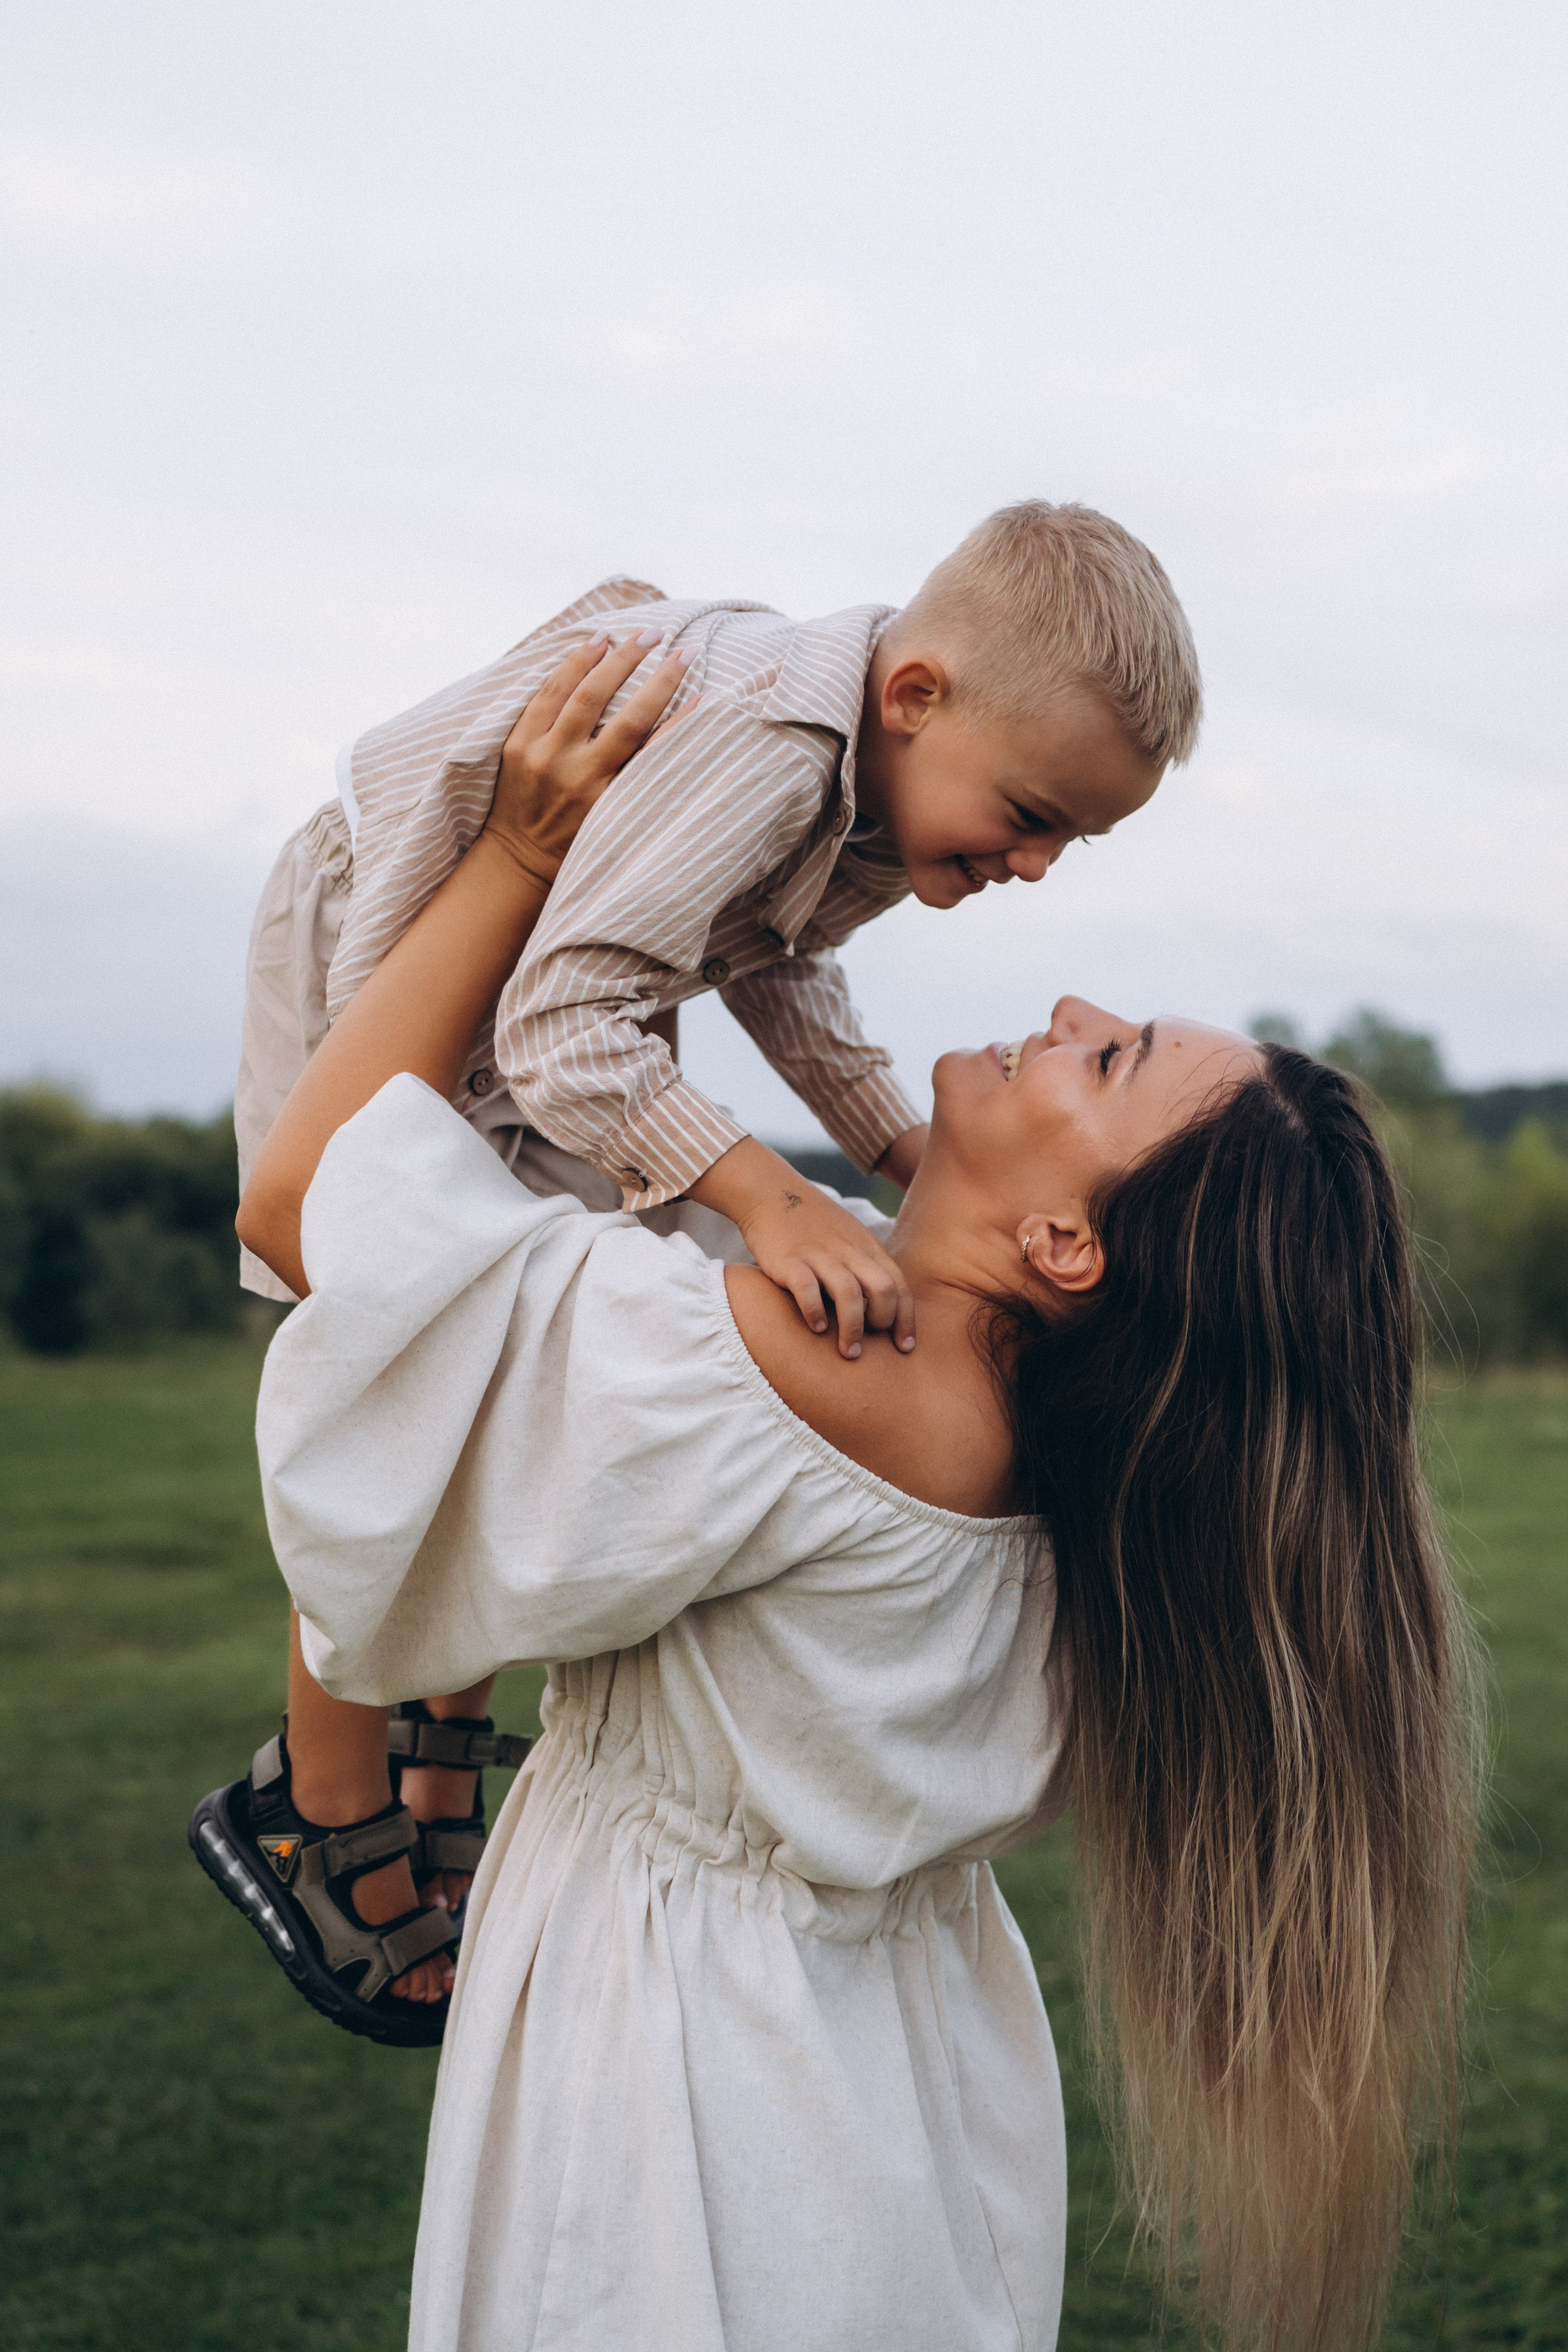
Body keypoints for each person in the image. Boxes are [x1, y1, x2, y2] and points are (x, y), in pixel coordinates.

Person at [209, 678, 1481, 2352]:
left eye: (1109, 1057)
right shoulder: (1070, 1455)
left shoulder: (808, 1369)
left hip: (686, 2106)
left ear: (1065, 1250)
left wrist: (517, 856)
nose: (1073, 999)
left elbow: (307, 1208)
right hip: (899, 2095)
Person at [204, 501, 1204, 2037]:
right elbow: (557, 1027)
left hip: (566, 973)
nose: (1036, 864)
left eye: (1070, 837)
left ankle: (435, 1758)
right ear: (914, 694)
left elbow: (776, 964)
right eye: (1028, 814)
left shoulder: (876, 793)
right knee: (396, 1336)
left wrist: (890, 1149)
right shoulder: (770, 746)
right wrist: (768, 1194)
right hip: (407, 926)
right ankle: (318, 1802)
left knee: (513, 1351)